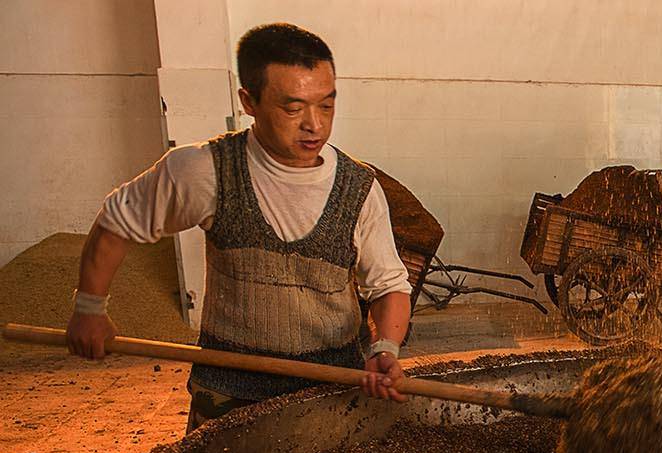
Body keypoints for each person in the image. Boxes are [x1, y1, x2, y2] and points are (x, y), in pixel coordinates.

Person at [65, 22, 412, 430]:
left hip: (332, 388)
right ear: (250, 101)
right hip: (229, 392)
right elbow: (118, 221)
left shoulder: (359, 187)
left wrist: (385, 347)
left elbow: (388, 284)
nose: (314, 125)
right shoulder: (205, 171)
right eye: (293, 107)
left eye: (326, 105)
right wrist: (89, 308)